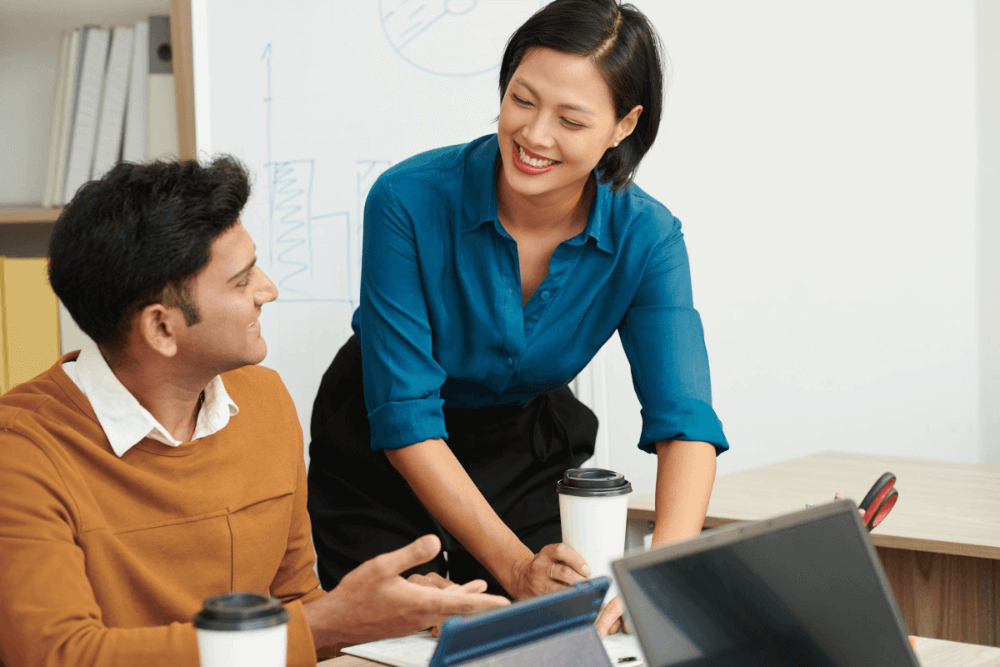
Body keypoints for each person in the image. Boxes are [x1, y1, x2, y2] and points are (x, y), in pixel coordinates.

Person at [307, 0, 729, 636]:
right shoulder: (407, 199)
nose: (534, 135)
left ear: (624, 125)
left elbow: (686, 420)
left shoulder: (648, 237)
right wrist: (514, 566)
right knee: (394, 637)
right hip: (382, 442)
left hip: (522, 444)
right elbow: (405, 415)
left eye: (571, 119)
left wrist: (660, 575)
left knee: (557, 632)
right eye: (522, 100)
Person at [0, 158, 507, 667]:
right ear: (160, 328)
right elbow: (57, 655)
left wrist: (390, 613)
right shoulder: (20, 452)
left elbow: (291, 611)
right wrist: (327, 620)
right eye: (242, 282)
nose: (268, 290)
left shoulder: (263, 402)